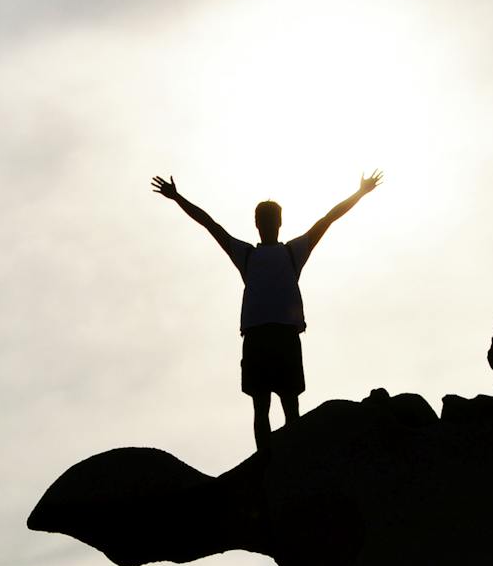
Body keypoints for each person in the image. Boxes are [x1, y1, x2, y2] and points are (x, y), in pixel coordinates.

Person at [152, 171, 383, 451]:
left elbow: (328, 219)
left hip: (282, 336)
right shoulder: (248, 255)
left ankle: (291, 460)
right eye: (265, 220)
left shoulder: (292, 252)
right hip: (259, 337)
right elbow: (210, 225)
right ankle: (265, 462)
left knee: (289, 407)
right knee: (262, 407)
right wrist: (177, 198)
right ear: (259, 224)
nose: (268, 224)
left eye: (271, 219)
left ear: (277, 223)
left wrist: (359, 193)